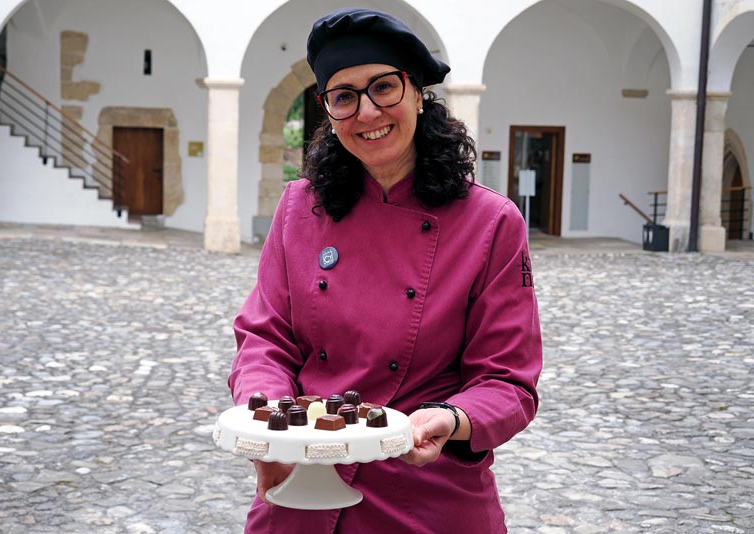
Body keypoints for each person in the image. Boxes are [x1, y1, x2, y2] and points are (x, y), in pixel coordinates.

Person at [228, 7, 542, 533]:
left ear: (417, 93)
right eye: (344, 96)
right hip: (302, 482)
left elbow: (507, 380)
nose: (367, 112)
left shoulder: (491, 222)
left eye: (383, 87)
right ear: (328, 112)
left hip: (425, 491)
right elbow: (265, 338)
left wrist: (452, 418)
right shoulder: (299, 206)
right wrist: (275, 430)